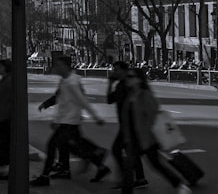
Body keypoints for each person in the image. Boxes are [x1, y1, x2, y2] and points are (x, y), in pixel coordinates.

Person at [31, 56, 110, 186]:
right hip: (67, 120)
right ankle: (99, 161)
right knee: (74, 146)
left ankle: (45, 176)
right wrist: (54, 116)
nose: (56, 68)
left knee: (53, 146)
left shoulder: (72, 82)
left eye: (59, 65)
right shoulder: (65, 80)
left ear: (66, 66)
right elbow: (62, 102)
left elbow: (82, 101)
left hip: (69, 121)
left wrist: (96, 116)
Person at [119, 68, 190, 194]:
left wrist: (158, 137)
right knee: (129, 166)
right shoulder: (130, 95)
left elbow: (154, 117)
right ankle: (127, 191)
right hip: (133, 138)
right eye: (127, 76)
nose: (127, 79)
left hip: (147, 138)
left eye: (131, 76)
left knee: (155, 165)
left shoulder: (144, 95)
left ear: (139, 79)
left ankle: (179, 184)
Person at [107, 61, 147, 189]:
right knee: (133, 152)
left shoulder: (128, 85)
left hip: (130, 124)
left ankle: (127, 179)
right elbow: (109, 100)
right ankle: (139, 178)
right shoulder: (120, 85)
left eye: (117, 69)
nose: (114, 72)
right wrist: (110, 84)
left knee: (117, 149)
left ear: (124, 71)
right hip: (126, 124)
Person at [0, 60, 12, 180]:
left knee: (4, 143)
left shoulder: (8, 80)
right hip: (3, 115)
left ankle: (5, 170)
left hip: (5, 116)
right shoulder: (4, 79)